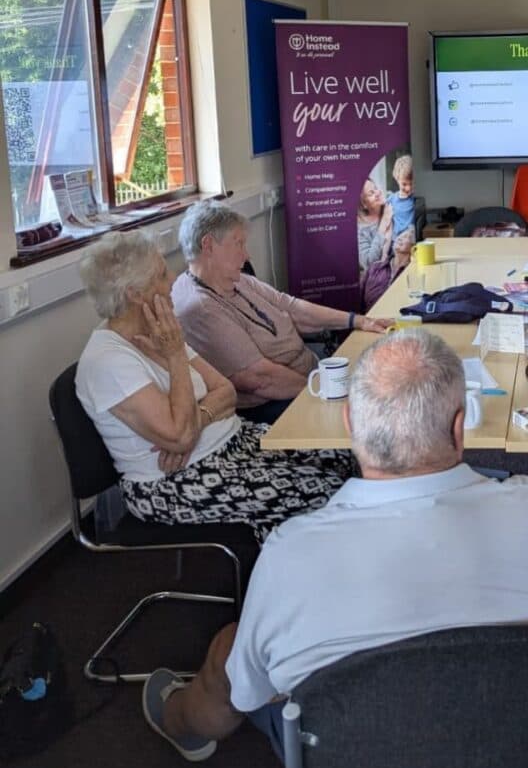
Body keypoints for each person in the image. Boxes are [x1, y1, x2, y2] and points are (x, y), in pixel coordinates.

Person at [139, 330, 528, 762]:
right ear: (459, 428)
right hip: (522, 750)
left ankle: (179, 720)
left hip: (360, 764)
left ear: (349, 424)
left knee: (231, 654)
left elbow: (254, 686)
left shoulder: (291, 551)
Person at [76, 231, 356, 545]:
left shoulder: (159, 328)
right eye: (161, 274)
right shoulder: (108, 361)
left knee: (347, 456)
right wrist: (174, 356)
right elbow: (180, 438)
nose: (171, 279)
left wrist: (198, 420)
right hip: (175, 481)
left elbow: (226, 391)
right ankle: (291, 572)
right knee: (326, 494)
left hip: (233, 441)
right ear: (135, 293)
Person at [172, 201, 390, 425]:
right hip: (278, 405)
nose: (246, 255)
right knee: (374, 416)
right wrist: (323, 389)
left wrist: (358, 321)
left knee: (384, 378)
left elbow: (292, 308)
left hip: (312, 377)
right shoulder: (200, 307)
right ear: (208, 245)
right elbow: (259, 379)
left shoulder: (237, 280)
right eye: (238, 244)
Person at [360, 225, 415, 312]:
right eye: (399, 236)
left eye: (406, 237)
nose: (400, 238)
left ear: (414, 247)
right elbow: (358, 297)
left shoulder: (413, 271)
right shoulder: (374, 268)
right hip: (369, 320)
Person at [357, 178, 393, 273]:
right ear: (364, 204)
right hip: (379, 278)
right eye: (371, 193)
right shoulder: (361, 230)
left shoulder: (391, 205)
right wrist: (383, 224)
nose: (377, 193)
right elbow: (369, 262)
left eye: (376, 188)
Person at [387, 154, 416, 238]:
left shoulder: (416, 200)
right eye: (404, 184)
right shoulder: (391, 200)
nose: (408, 188)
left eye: (411, 184)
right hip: (395, 242)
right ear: (397, 179)